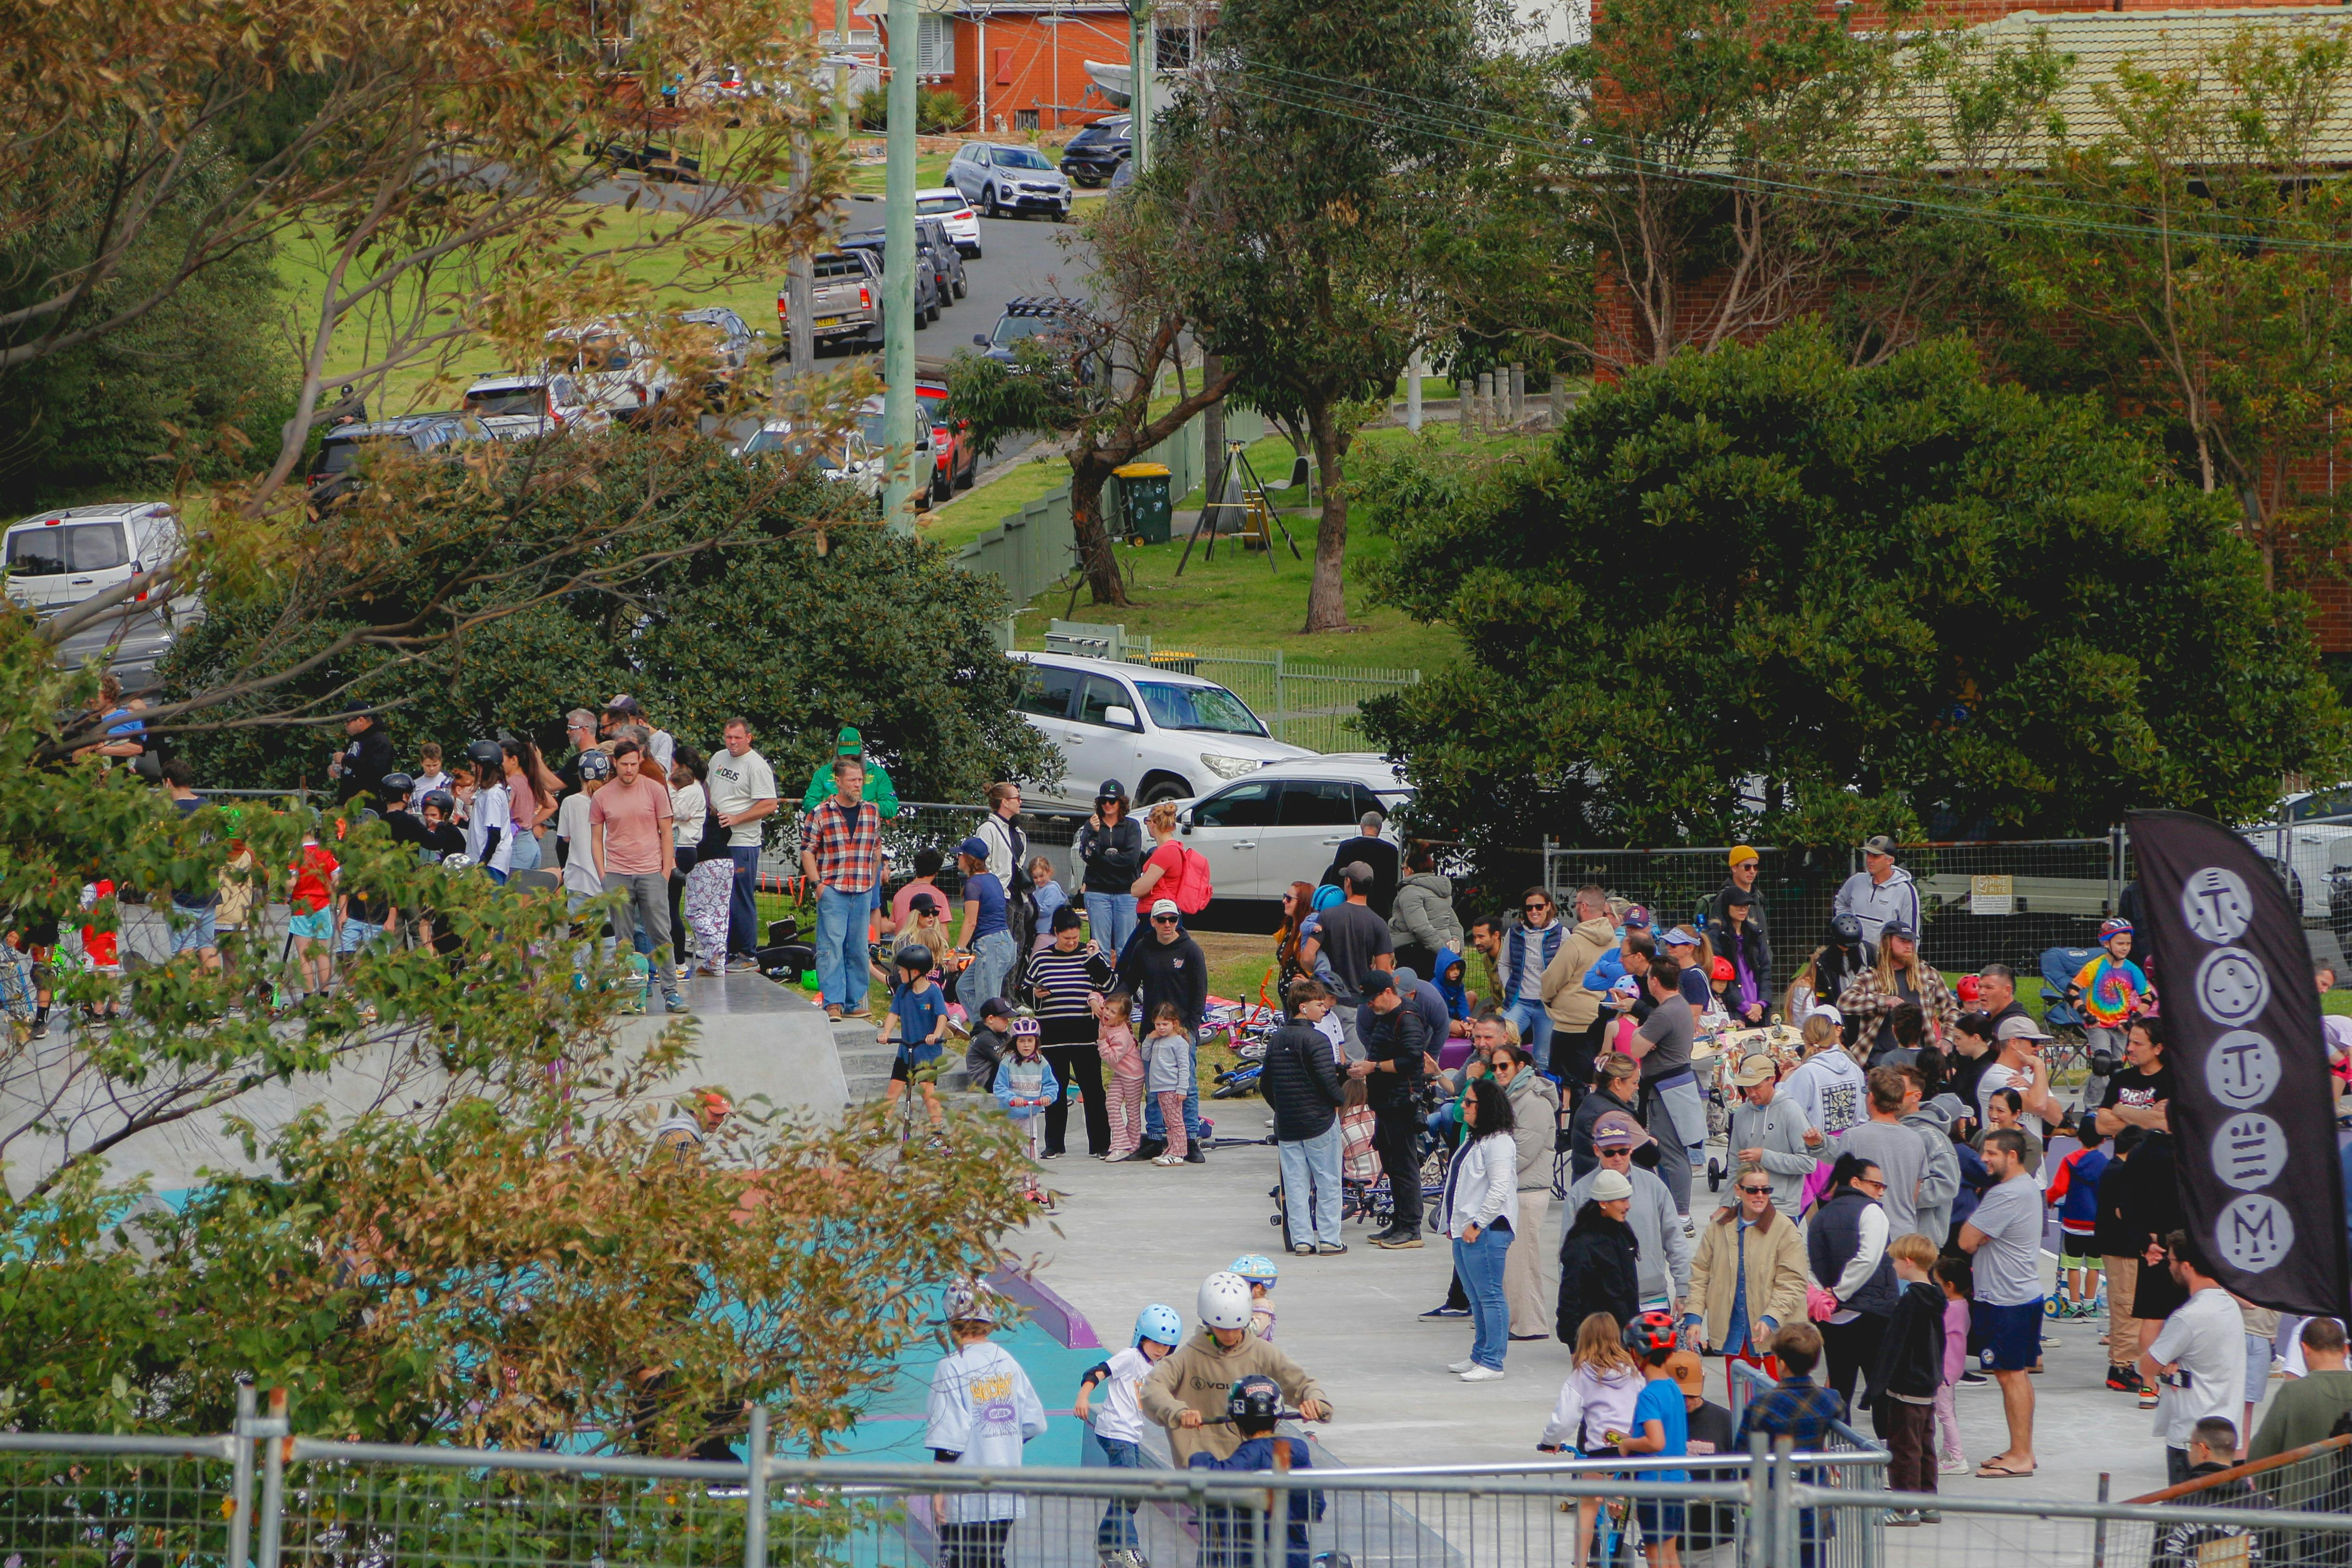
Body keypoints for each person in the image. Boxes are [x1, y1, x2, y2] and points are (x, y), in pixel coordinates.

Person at [1139, 1272, 1333, 1469]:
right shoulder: (1187, 1358)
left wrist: (1314, 1401)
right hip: (1205, 1475)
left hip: (1251, 1471)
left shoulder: (1262, 1353)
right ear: (1208, 1321)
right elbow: (1152, 1389)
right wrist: (1177, 1412)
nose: (1230, 1335)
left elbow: (1301, 1383)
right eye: (1222, 1328)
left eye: (1236, 1327)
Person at [925, 1280, 1047, 1568]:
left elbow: (949, 1436)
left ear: (951, 1321)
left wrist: (938, 1490)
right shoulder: (1007, 1362)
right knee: (992, 1560)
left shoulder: (951, 1366)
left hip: (965, 1495)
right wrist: (1002, 1444)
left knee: (958, 1561)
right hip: (1005, 1490)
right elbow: (1035, 1423)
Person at [1959, 1127, 2044, 1478]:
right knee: (2016, 1374)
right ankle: (2020, 1448)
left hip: (2005, 1299)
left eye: (1991, 1153)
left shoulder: (2005, 1195)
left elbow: (1967, 1240)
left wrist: (1977, 1235)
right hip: (2022, 1294)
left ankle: (2022, 1455)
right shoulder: (2026, 1188)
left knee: (2009, 1375)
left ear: (2012, 1155)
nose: (1983, 1159)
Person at [1687, 1160, 1809, 1397]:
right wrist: (1694, 1317)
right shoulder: (1718, 1228)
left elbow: (1793, 1282)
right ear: (1738, 1191)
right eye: (1753, 1190)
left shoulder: (1785, 1229)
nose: (1760, 1195)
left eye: (1766, 1190)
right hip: (1736, 1333)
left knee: (1783, 1409)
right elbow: (1700, 1273)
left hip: (1779, 1336)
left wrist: (1770, 1317)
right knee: (1742, 1411)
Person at [1075, 1304, 1182, 1563]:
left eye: (1166, 1347)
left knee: (1132, 1494)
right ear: (1141, 1338)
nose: (1160, 1350)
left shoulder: (1156, 1370)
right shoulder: (1130, 1357)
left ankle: (1106, 1537)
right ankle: (1126, 1545)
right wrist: (1084, 1396)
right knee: (1129, 1488)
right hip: (1115, 1431)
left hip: (1131, 1435)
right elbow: (1096, 1372)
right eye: (1155, 1343)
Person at [2141, 1231, 2248, 1487]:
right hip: (2228, 1433)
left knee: (2186, 1517)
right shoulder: (2229, 1307)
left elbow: (2146, 1366)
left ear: (2187, 1267)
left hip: (2192, 1435)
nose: (2170, 1266)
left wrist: (2165, 1367)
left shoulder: (2187, 1318)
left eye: (2172, 1260)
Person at [1436, 1075, 1520, 1381]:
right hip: (1465, 1228)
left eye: (1469, 1103)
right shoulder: (1476, 1138)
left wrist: (1476, 1224)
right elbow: (1461, 1185)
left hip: (1486, 1229)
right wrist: (1454, 1223)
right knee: (1475, 1295)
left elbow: (1498, 1189)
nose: (1464, 1107)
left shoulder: (1499, 1142)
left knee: (1490, 1294)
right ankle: (1479, 1354)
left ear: (1485, 1107)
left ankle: (1493, 1360)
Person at [591, 739, 683, 1015]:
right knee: (623, 937)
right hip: (617, 873)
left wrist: (665, 872)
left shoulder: (655, 790)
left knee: (660, 933)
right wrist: (603, 873)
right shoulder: (602, 796)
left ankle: (671, 993)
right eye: (624, 765)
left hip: (651, 871)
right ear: (615, 764)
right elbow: (597, 838)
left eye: (634, 764)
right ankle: (628, 992)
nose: (629, 770)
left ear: (640, 761)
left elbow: (667, 833)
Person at [1567, 1110, 1690, 1313]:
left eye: (1623, 1151)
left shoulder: (1654, 1186)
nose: (1617, 1158)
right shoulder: (1579, 1193)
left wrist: (1684, 1289)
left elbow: (1675, 1240)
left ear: (1632, 1149)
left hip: (1652, 1298)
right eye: (1609, 1152)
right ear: (1597, 1150)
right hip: (1601, 1302)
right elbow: (1568, 1254)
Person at [1117, 897, 1209, 1162]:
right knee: (1154, 1086)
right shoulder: (1144, 948)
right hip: (1153, 1031)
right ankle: (1156, 1137)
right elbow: (1130, 982)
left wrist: (1191, 1028)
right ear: (1153, 922)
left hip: (1181, 1032)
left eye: (1173, 919)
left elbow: (1200, 991)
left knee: (1187, 1086)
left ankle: (1190, 1138)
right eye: (1162, 920)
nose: (1167, 925)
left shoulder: (1191, 950)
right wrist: (1111, 1003)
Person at [1265, 980, 1348, 1256]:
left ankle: (1302, 1240)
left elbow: (1265, 1083)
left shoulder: (1276, 1039)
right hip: (1319, 1121)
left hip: (1288, 1122)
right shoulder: (1317, 1039)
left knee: (1295, 1183)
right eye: (1319, 1004)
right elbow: (1327, 1081)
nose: (1324, 1009)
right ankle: (1329, 1239)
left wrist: (1281, 1106)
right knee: (1328, 1181)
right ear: (1303, 1007)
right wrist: (1339, 1100)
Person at [1808, 1152, 1896, 1411]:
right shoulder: (1872, 1212)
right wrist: (1840, 1292)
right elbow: (1868, 1259)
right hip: (1872, 1312)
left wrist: (1827, 1297)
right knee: (1880, 1386)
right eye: (1876, 1185)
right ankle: (1884, 1448)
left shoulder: (1821, 1216)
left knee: (1839, 1386)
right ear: (1856, 1182)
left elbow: (1811, 1262)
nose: (1881, 1192)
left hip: (1832, 1317)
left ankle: (1838, 1447)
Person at [1024, 907, 1114, 1157]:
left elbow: (1110, 985)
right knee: (1055, 1090)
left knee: (1094, 1090)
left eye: (1075, 938)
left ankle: (1100, 1144)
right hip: (1053, 1037)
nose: (1072, 943)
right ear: (1055, 933)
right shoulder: (1041, 958)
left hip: (1085, 1036)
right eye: (1067, 939)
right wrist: (1035, 994)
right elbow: (1024, 989)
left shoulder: (1089, 954)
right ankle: (1054, 1145)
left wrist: (1095, 960)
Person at [1349, 970, 1428, 1245]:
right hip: (1384, 1102)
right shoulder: (1384, 1017)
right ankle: (1399, 1222)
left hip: (1402, 1102)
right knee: (1391, 1164)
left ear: (1388, 992)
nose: (1369, 1005)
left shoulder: (1408, 1018)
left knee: (1404, 1166)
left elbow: (1412, 1060)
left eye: (1373, 999)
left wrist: (1375, 1067)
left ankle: (1411, 1227)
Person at [1873, 1232, 1948, 1523]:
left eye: (1894, 1261)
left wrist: (1878, 1386)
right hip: (1928, 1383)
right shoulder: (1936, 1297)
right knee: (1925, 1444)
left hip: (1906, 1385)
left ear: (1908, 1262)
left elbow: (1894, 1345)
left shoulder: (1909, 1301)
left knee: (1904, 1447)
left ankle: (1905, 1508)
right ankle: (1928, 1502)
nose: (1892, 1266)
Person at [1623, 958, 1704, 1215]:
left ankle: (1681, 1214)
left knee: (1671, 1154)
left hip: (1667, 1092)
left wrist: (1640, 1033)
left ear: (1655, 981)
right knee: (1673, 1153)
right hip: (1676, 1088)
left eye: (1648, 978)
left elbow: (1635, 1048)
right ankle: (1674, 1210)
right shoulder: (1678, 1006)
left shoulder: (1664, 1014)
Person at [1493, 1044, 1559, 1338]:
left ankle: (1530, 1324)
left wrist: (1491, 1176)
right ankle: (1514, 1320)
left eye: (1504, 1066)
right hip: (1514, 1188)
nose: (1498, 1072)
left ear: (1520, 1066)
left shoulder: (1533, 1101)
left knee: (1524, 1261)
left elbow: (1523, 1151)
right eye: (1494, 1067)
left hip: (1528, 1190)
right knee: (1512, 1261)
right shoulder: (1512, 1097)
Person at [1297, 862, 1394, 1057]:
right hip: (1359, 1005)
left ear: (1348, 883)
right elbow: (1383, 973)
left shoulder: (1328, 916)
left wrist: (1318, 975)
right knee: (1354, 1066)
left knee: (1321, 1059)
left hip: (1326, 1001)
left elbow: (1307, 957)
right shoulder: (1378, 923)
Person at [707, 718, 778, 970]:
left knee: (740, 896)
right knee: (720, 896)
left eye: (738, 737)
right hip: (718, 839)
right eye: (728, 737)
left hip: (743, 842)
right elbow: (710, 788)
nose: (733, 742)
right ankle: (725, 950)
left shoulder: (756, 766)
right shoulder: (717, 758)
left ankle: (748, 954)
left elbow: (770, 804)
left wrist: (737, 818)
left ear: (749, 737)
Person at [1837, 920, 1957, 1066]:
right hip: (1880, 1061)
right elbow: (1844, 1003)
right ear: (1888, 943)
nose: (1909, 946)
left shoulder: (1926, 974)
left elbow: (1951, 1008)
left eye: (1911, 942)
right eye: (1903, 941)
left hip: (1919, 1060)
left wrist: (1947, 1039)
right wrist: (1883, 1000)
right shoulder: (1872, 976)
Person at [1539, 885, 1618, 1095]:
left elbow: (1552, 981)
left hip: (1571, 1026)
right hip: (1604, 1022)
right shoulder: (1615, 941)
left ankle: (1566, 1127)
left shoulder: (1575, 942)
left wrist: (1548, 1000)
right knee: (1596, 1083)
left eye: (1576, 904)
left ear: (1583, 907)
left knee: (1564, 1087)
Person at [1840, 1067, 1937, 1237]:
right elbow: (1914, 1193)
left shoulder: (1852, 1137)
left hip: (1863, 1231)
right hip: (1904, 1233)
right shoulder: (1916, 1140)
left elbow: (1841, 1190)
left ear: (1872, 1097)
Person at [1724, 1052, 1821, 1218]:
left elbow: (1808, 1163)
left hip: (1783, 1208)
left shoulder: (1791, 1111)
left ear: (1771, 1080)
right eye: (1747, 1087)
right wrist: (1725, 1205)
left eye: (1756, 1087)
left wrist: (1764, 1157)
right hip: (1747, 1206)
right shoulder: (1741, 1114)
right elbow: (1734, 1164)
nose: (1751, 1093)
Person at [2251, 1317, 2352, 1461]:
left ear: (2305, 1349)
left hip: (2302, 1481)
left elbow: (2262, 1452)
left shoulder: (2293, 1393)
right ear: (2346, 1350)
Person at [1556, 1168, 1642, 1336]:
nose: (1628, 1206)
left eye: (1628, 1200)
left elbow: (1630, 1287)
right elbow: (1569, 1296)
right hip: (1596, 1338)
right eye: (1622, 1201)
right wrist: (1573, 1342)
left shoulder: (1623, 1234)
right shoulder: (1581, 1245)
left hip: (1625, 1335)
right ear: (1603, 1203)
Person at [158, 758, 222, 971]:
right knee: (207, 946)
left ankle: (188, 997)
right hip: (207, 886)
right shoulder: (208, 807)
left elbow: (168, 855)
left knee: (184, 949)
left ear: (168, 782)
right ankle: (213, 996)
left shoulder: (174, 813)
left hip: (182, 891)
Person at [1493, 887, 1565, 1074]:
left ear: (1548, 907)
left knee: (1543, 1058)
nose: (1534, 911)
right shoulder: (1514, 933)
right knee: (1502, 1042)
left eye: (1539, 907)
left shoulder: (1562, 933)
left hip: (1547, 1005)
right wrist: (1510, 985)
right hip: (1520, 1002)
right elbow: (1504, 964)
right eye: (1529, 908)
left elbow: (1570, 968)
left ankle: (1542, 1097)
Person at [2068, 917, 2153, 1070]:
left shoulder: (2133, 970)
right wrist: (2086, 1014)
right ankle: (2095, 1096)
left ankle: (2111, 1095)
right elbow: (2071, 992)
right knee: (2102, 1063)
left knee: (2116, 1069)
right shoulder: (2095, 966)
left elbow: (2148, 999)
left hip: (2122, 1026)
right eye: (2120, 944)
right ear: (2107, 944)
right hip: (2098, 1024)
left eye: (2128, 944)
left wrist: (2132, 1021)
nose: (2125, 948)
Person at [1075, 782, 1146, 961]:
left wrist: (1101, 860)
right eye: (1104, 801)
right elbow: (1087, 855)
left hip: (1126, 892)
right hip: (1097, 892)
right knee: (1100, 946)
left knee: (1126, 946)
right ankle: (1102, 986)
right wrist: (1094, 833)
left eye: (1113, 801)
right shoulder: (1091, 824)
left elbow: (1131, 860)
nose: (1108, 804)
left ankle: (1127, 987)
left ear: (1121, 803)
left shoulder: (1132, 826)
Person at [884, 945, 950, 1136]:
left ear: (915, 972)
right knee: (893, 1090)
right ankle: (881, 1126)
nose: (899, 973)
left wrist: (936, 1035)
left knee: (929, 1093)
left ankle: (937, 1132)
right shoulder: (903, 991)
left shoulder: (933, 992)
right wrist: (886, 1033)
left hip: (927, 1053)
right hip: (906, 1051)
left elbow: (942, 1017)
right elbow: (892, 1014)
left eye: (902, 970)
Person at [2047, 1125, 2110, 1318]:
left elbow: (2060, 1187)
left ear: (2079, 1139)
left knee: (2073, 1265)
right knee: (2094, 1266)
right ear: (2103, 1141)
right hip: (2097, 1224)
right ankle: (2090, 1304)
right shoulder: (2106, 1164)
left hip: (2073, 1221)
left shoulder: (2069, 1161)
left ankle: (2074, 1304)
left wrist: (2049, 1199)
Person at [994, 1016, 1058, 1188]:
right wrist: (1012, 1099)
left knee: (1030, 1150)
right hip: (1010, 1115)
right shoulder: (1008, 1063)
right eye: (1022, 1041)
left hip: (1031, 1114)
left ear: (1036, 1042)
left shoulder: (1042, 1063)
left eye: (1030, 1041)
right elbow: (999, 1087)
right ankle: (1008, 1184)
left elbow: (1051, 1085)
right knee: (1008, 1149)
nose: (1026, 1045)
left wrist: (1048, 1097)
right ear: (1015, 1043)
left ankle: (1031, 1186)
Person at [1977, 1015, 2064, 1140]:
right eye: (2034, 1043)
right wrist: (2039, 1065)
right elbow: (2038, 1105)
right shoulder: (1996, 1077)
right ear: (2014, 1043)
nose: (2038, 1048)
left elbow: (2057, 1117)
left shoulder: (2032, 1074)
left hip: (2032, 1157)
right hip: (2006, 1155)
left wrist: (2030, 1086)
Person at [1833, 834, 1921, 948]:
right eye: (1868, 855)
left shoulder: (1905, 890)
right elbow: (1841, 902)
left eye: (1876, 856)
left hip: (1885, 958)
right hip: (1854, 953)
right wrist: (1848, 928)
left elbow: (1911, 931)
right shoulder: (1856, 881)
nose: (1869, 860)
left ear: (1890, 860)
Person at [1389, 845, 1462, 978]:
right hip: (1438, 953)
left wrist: (1443, 952)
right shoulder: (1440, 892)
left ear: (1410, 871)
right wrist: (1456, 950)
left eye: (1404, 868)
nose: (1403, 871)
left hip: (1415, 955)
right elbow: (1455, 925)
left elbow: (1419, 928)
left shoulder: (1409, 891)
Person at [2096, 1013, 2174, 1137]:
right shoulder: (2120, 1078)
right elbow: (2102, 1125)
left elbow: (2167, 1125)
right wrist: (2149, 1117)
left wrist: (2119, 1110)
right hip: (2123, 1156)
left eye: (2137, 1044)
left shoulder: (2173, 1080)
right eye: (2130, 1042)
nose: (2130, 1048)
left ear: (2158, 1049)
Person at [286, 826, 339, 1003]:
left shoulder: (296, 854)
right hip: (322, 906)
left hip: (302, 907)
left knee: (304, 953)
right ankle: (324, 996)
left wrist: (283, 886)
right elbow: (337, 879)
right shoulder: (325, 852)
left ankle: (308, 997)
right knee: (322, 953)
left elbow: (291, 883)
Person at [798, 723, 899, 814]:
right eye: (846, 756)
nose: (850, 760)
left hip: (867, 828)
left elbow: (891, 806)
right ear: (838, 752)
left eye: (854, 756)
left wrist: (865, 808)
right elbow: (809, 803)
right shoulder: (823, 773)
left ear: (861, 751)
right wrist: (828, 807)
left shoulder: (878, 774)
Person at [1931, 1256, 1972, 1475]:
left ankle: (1957, 1457)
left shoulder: (1950, 1310)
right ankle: (1948, 1450)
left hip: (1943, 1369)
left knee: (1945, 1413)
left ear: (1950, 1286)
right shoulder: (1961, 1305)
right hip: (1952, 1368)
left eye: (1937, 1283)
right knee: (1948, 1411)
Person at [1093, 990, 1146, 1161]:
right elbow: (1094, 995)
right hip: (1121, 1073)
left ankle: (1132, 1145)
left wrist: (1102, 1041)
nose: (1107, 1013)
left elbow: (1113, 1058)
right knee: (1111, 1104)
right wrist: (1095, 1003)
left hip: (1133, 1075)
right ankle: (1121, 1144)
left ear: (1123, 1018)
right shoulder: (1105, 1016)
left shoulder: (1121, 1036)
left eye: (1112, 1012)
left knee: (1132, 1111)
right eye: (1107, 1008)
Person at [1143, 1001, 1195, 1167]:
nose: (1161, 1028)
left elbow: (1184, 1067)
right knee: (1168, 1123)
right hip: (1159, 1088)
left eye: (1165, 1024)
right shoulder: (1157, 1040)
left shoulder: (1179, 1042)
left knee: (1176, 1122)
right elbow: (1145, 1055)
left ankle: (1179, 1153)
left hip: (1172, 1088)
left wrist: (1182, 1088)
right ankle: (1171, 1149)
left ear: (1174, 1023)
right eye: (1158, 1024)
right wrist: (1150, 1039)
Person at [1709, 886, 1770, 1027]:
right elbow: (1720, 977)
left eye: (1747, 906)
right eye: (1738, 905)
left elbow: (1766, 970)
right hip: (1734, 1012)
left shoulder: (1756, 934)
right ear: (1727, 906)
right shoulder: (1716, 936)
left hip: (1760, 1011)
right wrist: (1746, 1007)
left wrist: (1762, 1004)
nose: (1743, 909)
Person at [665, 747, 707, 953]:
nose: (670, 770)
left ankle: (678, 958)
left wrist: (670, 788)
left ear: (682, 768)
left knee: (670, 906)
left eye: (673, 766)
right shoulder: (692, 790)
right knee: (669, 904)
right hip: (682, 848)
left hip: (682, 848)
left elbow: (675, 812)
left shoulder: (691, 790)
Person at [1321, 811, 1400, 919]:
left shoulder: (1346, 847)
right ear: (1380, 828)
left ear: (1361, 826)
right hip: (1379, 910)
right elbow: (1393, 885)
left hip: (1349, 908)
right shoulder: (1391, 851)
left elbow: (1335, 880)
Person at [461, 739, 513, 883]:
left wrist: (483, 862)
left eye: (473, 766)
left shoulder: (493, 795)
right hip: (482, 861)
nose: (472, 770)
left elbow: (494, 834)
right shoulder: (487, 792)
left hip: (490, 865)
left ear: (485, 767)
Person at [328, 703, 395, 807]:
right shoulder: (355, 740)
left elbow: (376, 771)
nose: (345, 725)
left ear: (361, 721)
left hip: (368, 806)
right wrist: (338, 769)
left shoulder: (379, 741)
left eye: (347, 721)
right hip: (348, 805)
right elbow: (351, 768)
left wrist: (346, 759)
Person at [648, 1089, 732, 1162]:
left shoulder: (678, 1130)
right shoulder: (685, 1140)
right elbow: (678, 1180)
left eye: (723, 1115)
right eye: (716, 1114)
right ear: (697, 1109)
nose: (720, 1120)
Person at [966, 995, 1014, 1094]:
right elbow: (1006, 1060)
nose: (1007, 1022)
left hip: (993, 1077)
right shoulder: (985, 1038)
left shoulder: (1001, 1033)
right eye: (1004, 1019)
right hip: (985, 1083)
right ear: (991, 1019)